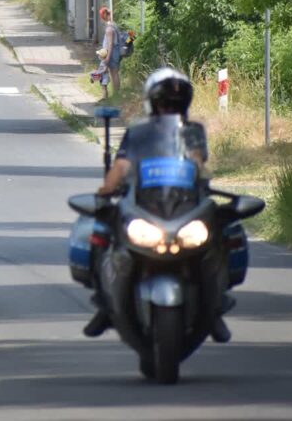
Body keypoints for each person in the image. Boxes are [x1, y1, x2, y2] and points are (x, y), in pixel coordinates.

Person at [83, 68, 230, 342]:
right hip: (144, 200)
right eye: (165, 103)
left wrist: (199, 172)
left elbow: (198, 162)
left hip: (184, 201)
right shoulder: (138, 132)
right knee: (103, 232)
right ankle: (105, 303)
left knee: (218, 239)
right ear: (153, 103)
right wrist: (106, 189)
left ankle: (215, 308)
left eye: (174, 104)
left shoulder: (192, 132)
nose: (168, 109)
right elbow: (123, 164)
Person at [99, 6, 121, 93]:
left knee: (114, 73)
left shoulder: (109, 28)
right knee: (115, 73)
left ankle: (116, 94)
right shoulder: (114, 24)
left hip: (112, 52)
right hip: (115, 51)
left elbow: (110, 44)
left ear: (103, 16)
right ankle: (117, 93)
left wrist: (107, 57)